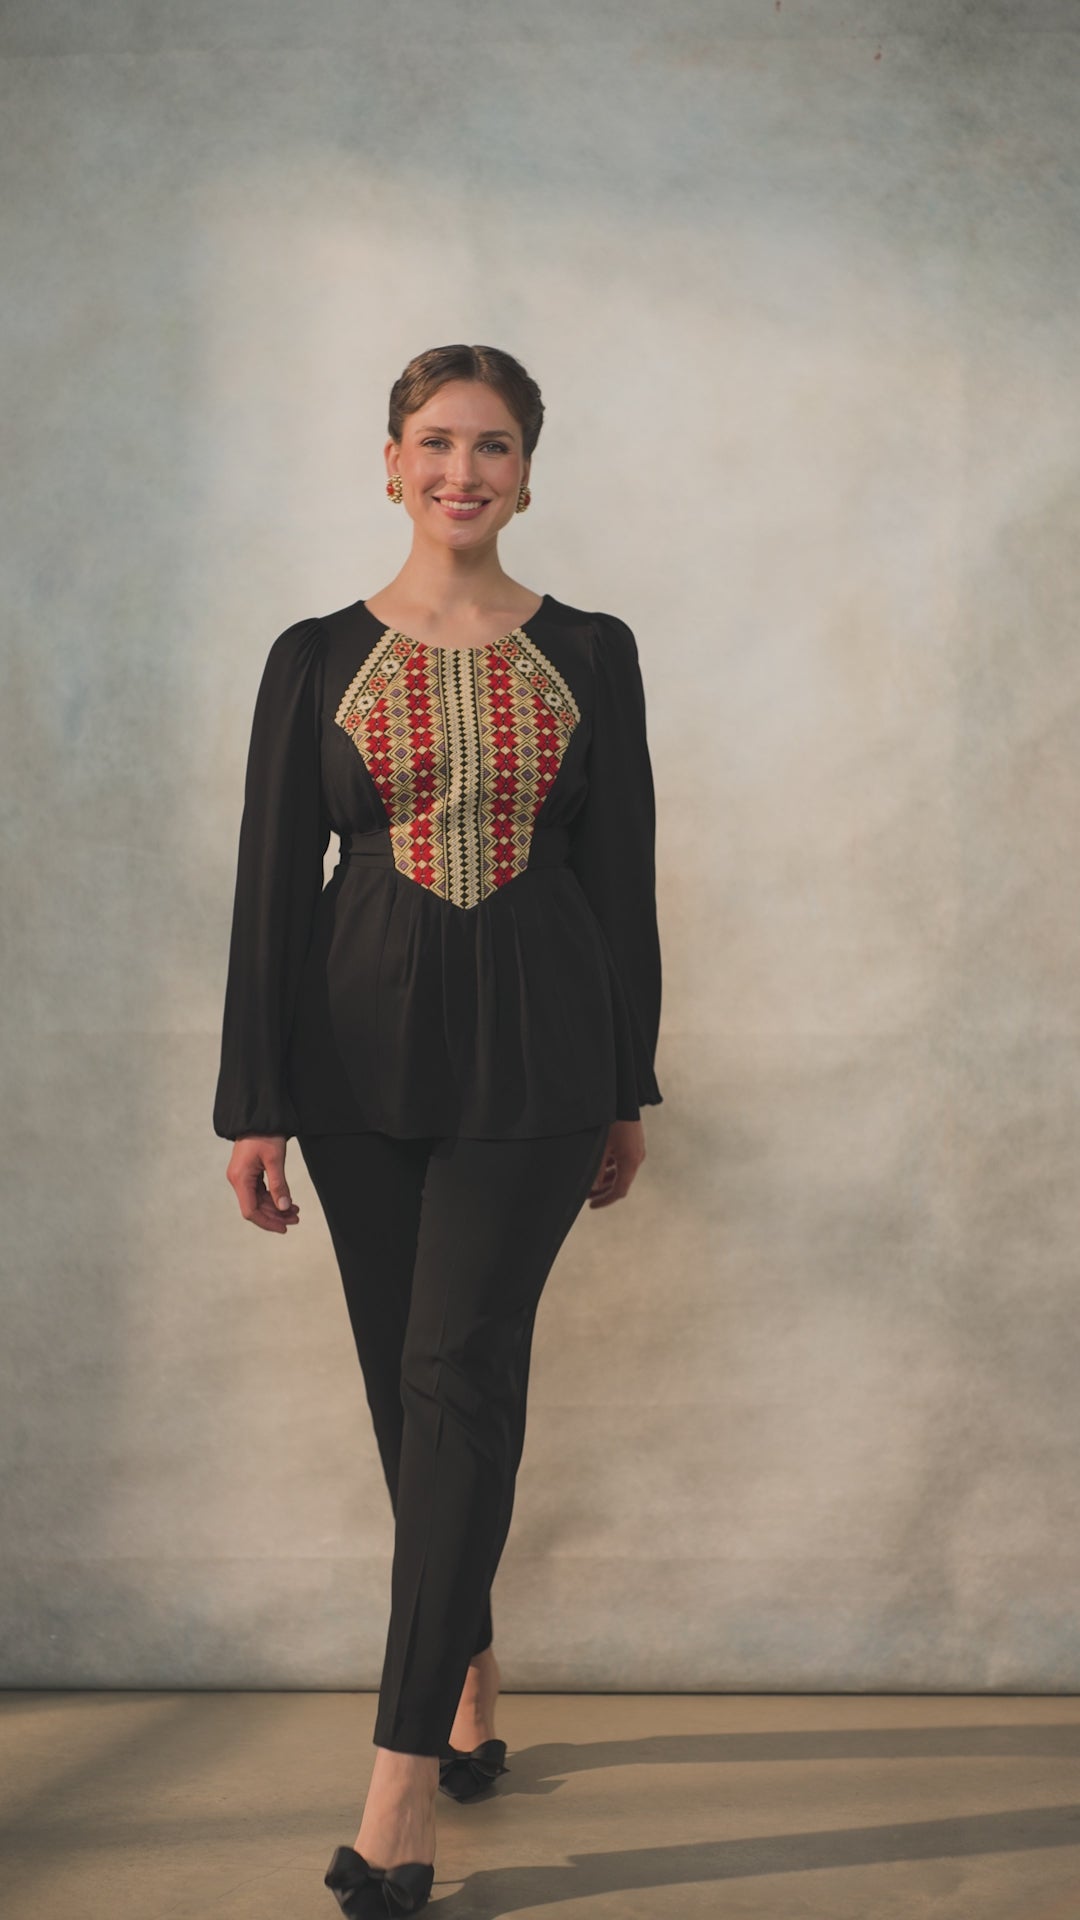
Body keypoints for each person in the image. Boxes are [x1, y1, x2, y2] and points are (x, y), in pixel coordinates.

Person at [212, 342, 663, 1918]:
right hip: (352, 1059)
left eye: (493, 445)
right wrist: (255, 1104)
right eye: (436, 441)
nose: (462, 469)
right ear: (391, 463)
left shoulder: (593, 651)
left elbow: (622, 875)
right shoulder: (312, 656)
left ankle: (395, 1796)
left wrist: (628, 1081)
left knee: (456, 1372)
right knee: (401, 1384)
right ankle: (465, 1662)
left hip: (542, 1052)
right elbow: (272, 887)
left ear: (528, 473)